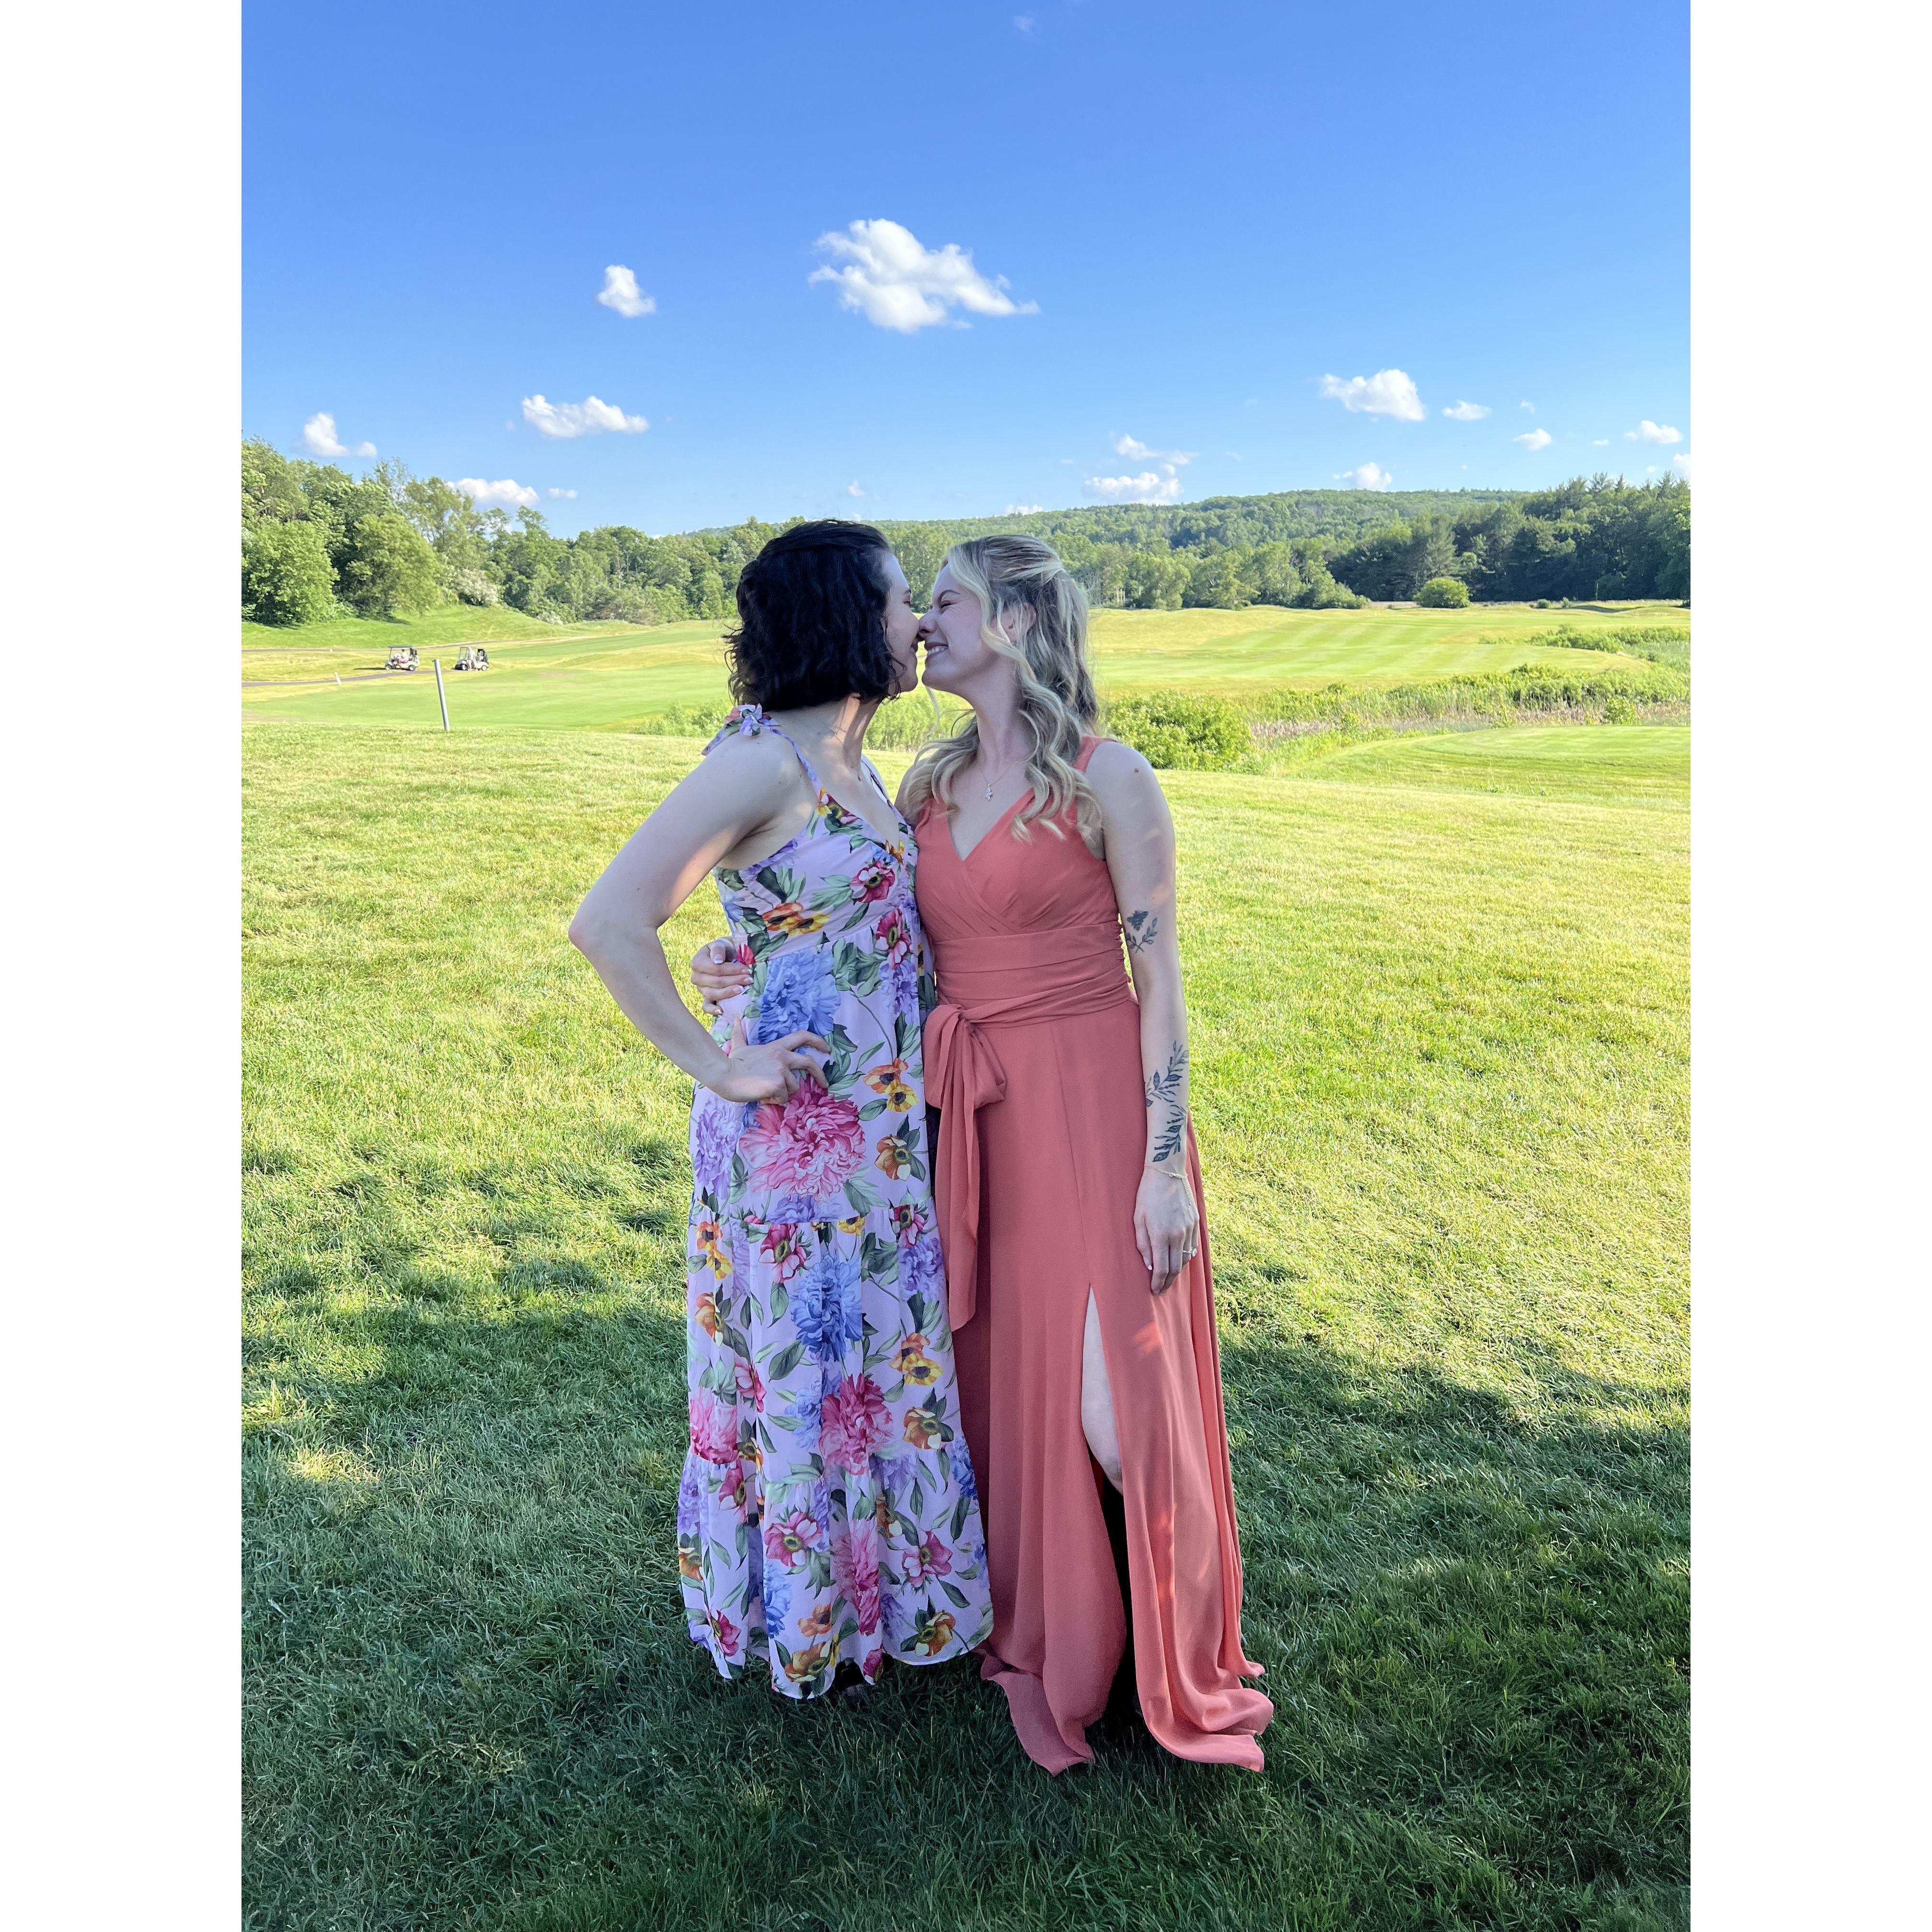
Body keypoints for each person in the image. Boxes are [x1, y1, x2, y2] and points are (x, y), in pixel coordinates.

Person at [694, 535, 1272, 1772]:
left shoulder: (1112, 779)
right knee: (999, 1389)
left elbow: (1163, 984)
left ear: (1015, 620)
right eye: (921, 602)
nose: (922, 624)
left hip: (1094, 1108)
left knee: (1118, 1410)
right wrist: (745, 966)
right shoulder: (927, 782)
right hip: (968, 1121)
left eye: (945, 601)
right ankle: (1057, 1623)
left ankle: (1172, 1650)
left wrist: (1164, 1164)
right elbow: (869, 937)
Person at [570, 520, 992, 1703]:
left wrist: (745, 963)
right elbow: (608, 921)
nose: (919, 623)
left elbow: (815, 921)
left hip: (878, 1136)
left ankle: (882, 1605)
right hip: (796, 1142)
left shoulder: (852, 762)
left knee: (872, 1366)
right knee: (812, 1369)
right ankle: (809, 1620)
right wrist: (721, 1064)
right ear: (845, 616)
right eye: (900, 600)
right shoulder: (763, 763)